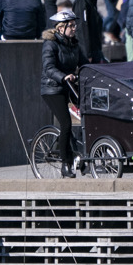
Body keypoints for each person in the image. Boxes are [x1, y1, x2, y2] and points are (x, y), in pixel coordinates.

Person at [40, 10, 86, 177]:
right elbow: (49, 68)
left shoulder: (74, 44)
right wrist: (64, 76)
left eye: (75, 25)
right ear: (60, 28)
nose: (74, 28)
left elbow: (84, 64)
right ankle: (66, 165)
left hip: (69, 85)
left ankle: (81, 155)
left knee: (88, 115)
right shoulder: (50, 44)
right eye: (71, 25)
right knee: (66, 123)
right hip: (52, 88)